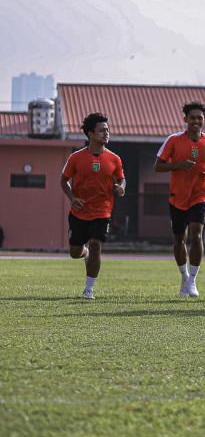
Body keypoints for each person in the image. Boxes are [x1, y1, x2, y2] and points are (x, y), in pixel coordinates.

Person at [155, 102, 205, 298]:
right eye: (192, 117)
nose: (195, 121)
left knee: (196, 234)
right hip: (178, 196)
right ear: (185, 119)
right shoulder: (173, 140)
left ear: (204, 120)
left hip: (200, 194)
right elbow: (157, 166)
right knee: (179, 238)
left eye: (199, 118)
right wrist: (178, 165)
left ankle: (192, 280)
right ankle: (184, 275)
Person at [61, 113, 126, 299]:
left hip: (103, 211)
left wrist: (121, 187)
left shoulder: (114, 159)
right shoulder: (76, 158)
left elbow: (122, 179)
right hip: (79, 212)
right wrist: (72, 198)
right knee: (75, 253)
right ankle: (85, 252)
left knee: (96, 244)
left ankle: (89, 289)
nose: (106, 133)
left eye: (107, 129)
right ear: (91, 134)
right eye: (102, 130)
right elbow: (63, 180)